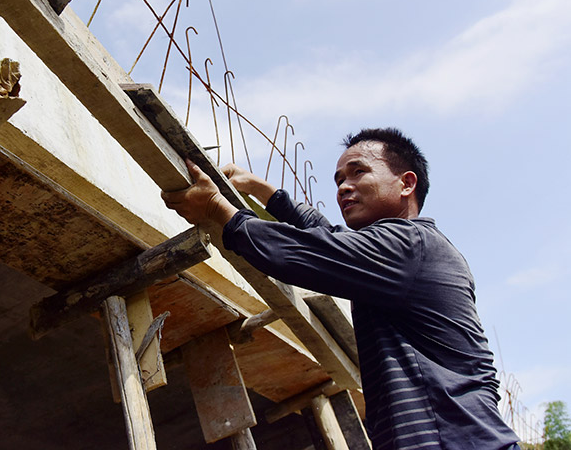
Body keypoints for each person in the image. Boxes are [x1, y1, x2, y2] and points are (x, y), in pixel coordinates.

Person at [161, 127, 519, 450]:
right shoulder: (413, 250)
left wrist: (219, 210)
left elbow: (311, 252)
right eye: (337, 180)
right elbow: (334, 239)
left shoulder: (408, 244)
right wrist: (263, 191)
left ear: (406, 183)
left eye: (358, 172)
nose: (343, 187)